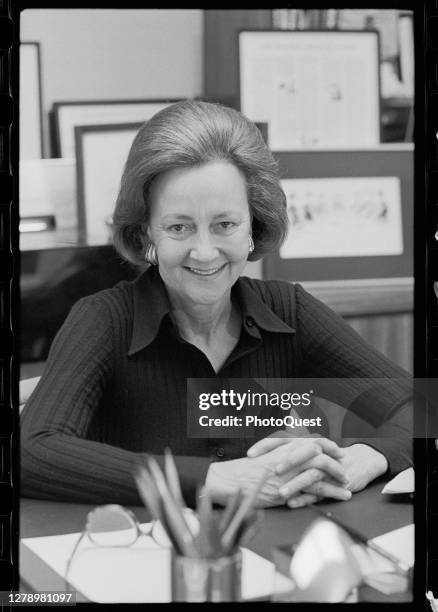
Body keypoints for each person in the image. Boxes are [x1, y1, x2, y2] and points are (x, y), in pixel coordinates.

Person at [20, 100, 412, 509]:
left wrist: (365, 458)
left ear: (253, 225)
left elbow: (420, 408)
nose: (204, 253)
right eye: (179, 227)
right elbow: (32, 449)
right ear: (147, 234)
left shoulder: (289, 310)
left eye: (225, 224)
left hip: (269, 553)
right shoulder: (104, 319)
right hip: (138, 556)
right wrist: (211, 479)